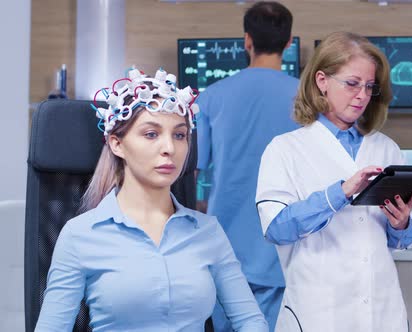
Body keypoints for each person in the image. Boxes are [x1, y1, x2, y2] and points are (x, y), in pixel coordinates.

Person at [35, 68, 268, 332]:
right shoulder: (80, 236)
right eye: (151, 134)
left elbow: (250, 320)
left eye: (179, 135)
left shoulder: (207, 232)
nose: (169, 148)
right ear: (116, 144)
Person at [256, 31, 412, 332]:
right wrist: (339, 194)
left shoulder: (387, 148)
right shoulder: (285, 149)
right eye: (352, 84)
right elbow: (277, 228)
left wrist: (401, 224)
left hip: (381, 311)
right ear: (322, 81)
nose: (362, 96)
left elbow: (406, 241)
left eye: (370, 87)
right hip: (318, 312)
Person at [195, 2, 298, 331]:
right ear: (289, 42)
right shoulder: (309, 100)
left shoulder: (211, 96)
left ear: (246, 41)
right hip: (285, 254)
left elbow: (194, 174)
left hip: (224, 252)